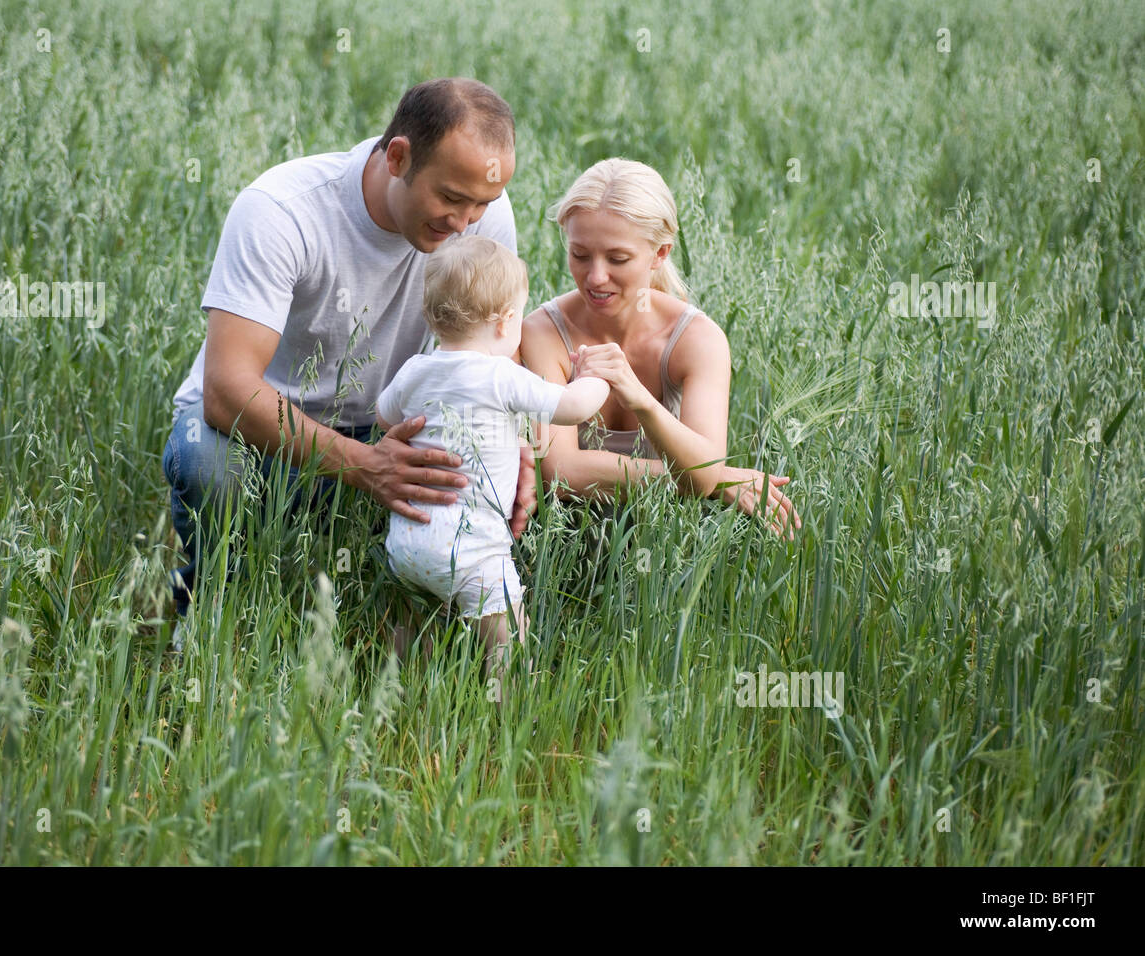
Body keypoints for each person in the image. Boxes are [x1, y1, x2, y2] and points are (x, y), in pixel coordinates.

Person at [161, 78, 539, 650]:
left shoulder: (484, 212)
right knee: (204, 458)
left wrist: (517, 448)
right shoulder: (281, 211)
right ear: (398, 157)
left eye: (481, 204)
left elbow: (490, 358)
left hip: (394, 431)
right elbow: (226, 390)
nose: (467, 224)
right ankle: (209, 608)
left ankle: (402, 626)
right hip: (262, 432)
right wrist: (365, 466)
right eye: (452, 199)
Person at [519, 158, 802, 537]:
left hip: (666, 539)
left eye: (618, 258)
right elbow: (560, 471)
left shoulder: (697, 339)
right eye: (580, 255)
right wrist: (715, 477)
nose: (595, 276)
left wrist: (640, 399)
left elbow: (701, 473)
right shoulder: (543, 332)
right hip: (566, 538)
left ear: (660, 254)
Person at [376, 235, 607, 684]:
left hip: (407, 542)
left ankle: (402, 690)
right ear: (505, 323)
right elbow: (574, 408)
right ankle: (510, 707)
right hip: (475, 551)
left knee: (410, 630)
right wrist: (594, 377)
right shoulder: (502, 375)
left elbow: (386, 415)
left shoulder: (415, 370)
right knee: (506, 643)